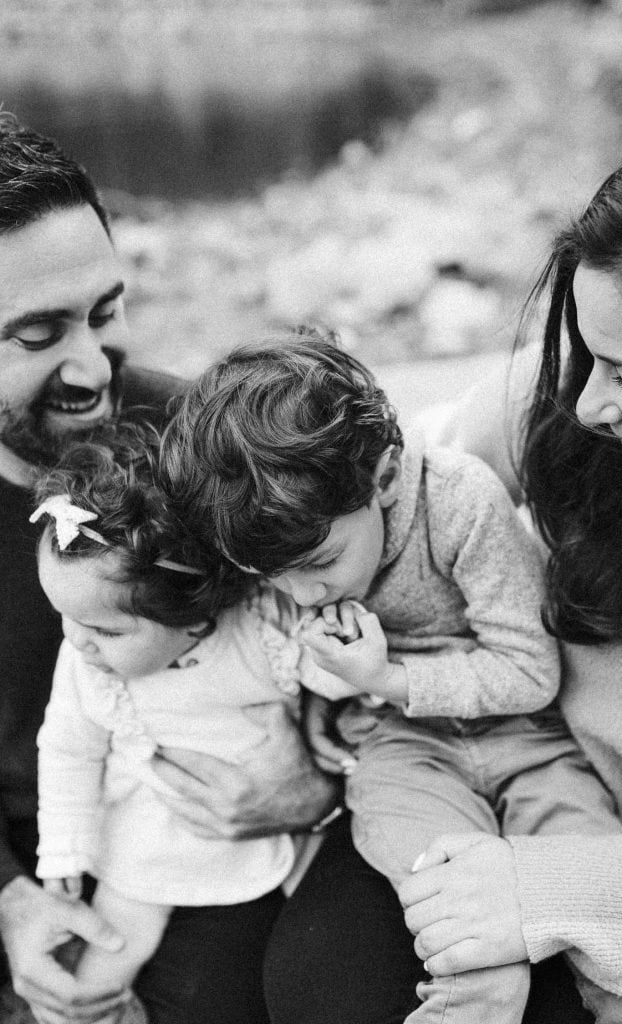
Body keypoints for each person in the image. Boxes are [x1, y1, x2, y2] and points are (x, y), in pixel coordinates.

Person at [0, 114, 426, 1024]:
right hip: (58, 855)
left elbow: (380, 645)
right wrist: (13, 898)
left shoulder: (204, 447)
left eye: (104, 314)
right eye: (38, 335)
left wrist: (316, 786)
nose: (91, 370)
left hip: (228, 833)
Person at [159, 329, 619, 1023]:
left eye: (318, 565)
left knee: (596, 888)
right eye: (269, 578)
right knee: (434, 882)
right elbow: (295, 657)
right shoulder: (273, 539)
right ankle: (479, 992)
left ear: (385, 478)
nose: (302, 594)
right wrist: (321, 695)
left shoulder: (461, 503)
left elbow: (531, 673)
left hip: (528, 738)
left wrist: (386, 675)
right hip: (402, 750)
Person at [396, 132, 622, 1022]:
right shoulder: (556, 410)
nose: (592, 402)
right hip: (516, 802)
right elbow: (388, 490)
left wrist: (550, 888)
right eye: (589, 355)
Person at [30, 423, 366, 1018]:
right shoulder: (88, 667)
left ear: (195, 619)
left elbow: (333, 681)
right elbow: (67, 751)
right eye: (64, 618)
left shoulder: (256, 633)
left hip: (279, 828)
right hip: (146, 837)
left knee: (324, 947)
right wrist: (63, 850)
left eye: (105, 630)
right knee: (110, 947)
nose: (76, 642)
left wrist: (340, 646)